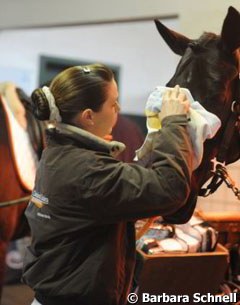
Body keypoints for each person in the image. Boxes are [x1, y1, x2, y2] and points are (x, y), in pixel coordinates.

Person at [22, 63, 194, 305]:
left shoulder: (58, 153)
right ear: (88, 116)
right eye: (113, 103)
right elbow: (169, 189)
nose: (119, 109)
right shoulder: (87, 170)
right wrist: (174, 123)